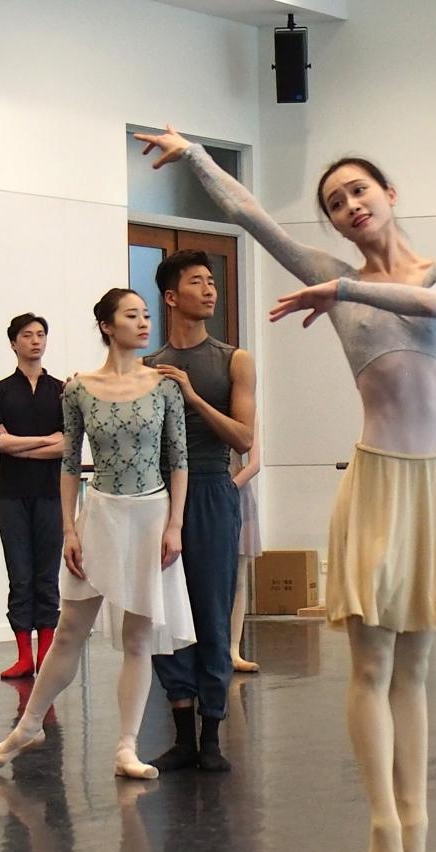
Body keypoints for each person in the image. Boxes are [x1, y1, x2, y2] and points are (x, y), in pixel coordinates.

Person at [135, 127, 436, 852]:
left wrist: (343, 291)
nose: (349, 205)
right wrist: (197, 158)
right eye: (334, 202)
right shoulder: (329, 275)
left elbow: (435, 305)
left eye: (359, 190)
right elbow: (251, 217)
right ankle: (383, 833)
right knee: (371, 665)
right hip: (376, 479)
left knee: (414, 671)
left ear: (388, 195)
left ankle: (417, 828)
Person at [0, 288, 194, 780]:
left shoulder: (164, 387)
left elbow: (179, 459)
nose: (144, 323)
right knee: (69, 632)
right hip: (99, 513)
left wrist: (175, 524)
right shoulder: (78, 390)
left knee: (138, 638)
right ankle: (29, 725)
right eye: (132, 315)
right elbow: (69, 462)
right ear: (107, 325)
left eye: (146, 315)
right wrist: (70, 529)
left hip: (151, 515)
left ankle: (126, 748)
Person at [143, 251, 256, 774]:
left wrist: (191, 395)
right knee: (165, 615)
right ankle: (182, 735)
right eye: (197, 282)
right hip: (158, 493)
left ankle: (212, 734)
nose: (210, 290)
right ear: (171, 297)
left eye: (212, 281)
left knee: (211, 610)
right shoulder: (147, 367)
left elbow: (244, 437)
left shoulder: (234, 359)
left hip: (211, 487)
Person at [0, 313, 64, 679]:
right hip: (12, 496)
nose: (35, 341)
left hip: (51, 494)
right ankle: (23, 657)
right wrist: (45, 440)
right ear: (13, 343)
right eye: (27, 335)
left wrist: (19, 447)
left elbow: (68, 444)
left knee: (47, 574)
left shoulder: (60, 390)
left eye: (41, 334)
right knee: (20, 575)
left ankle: (46, 655)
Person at [229, 414, 262, 672]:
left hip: (235, 493)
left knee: (239, 578)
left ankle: (233, 649)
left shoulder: (248, 412)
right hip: (208, 491)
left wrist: (227, 490)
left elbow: (255, 464)